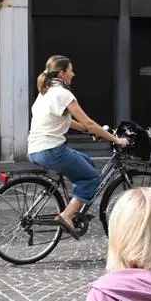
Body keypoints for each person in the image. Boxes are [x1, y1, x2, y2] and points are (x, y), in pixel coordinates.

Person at [27, 55, 129, 239]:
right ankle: (67, 215)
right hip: (52, 151)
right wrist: (115, 139)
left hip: (36, 149)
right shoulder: (63, 94)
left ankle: (75, 208)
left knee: (87, 162)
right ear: (61, 73)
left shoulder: (45, 92)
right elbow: (89, 122)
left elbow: (68, 120)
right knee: (91, 178)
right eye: (70, 70)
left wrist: (84, 129)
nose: (73, 74)